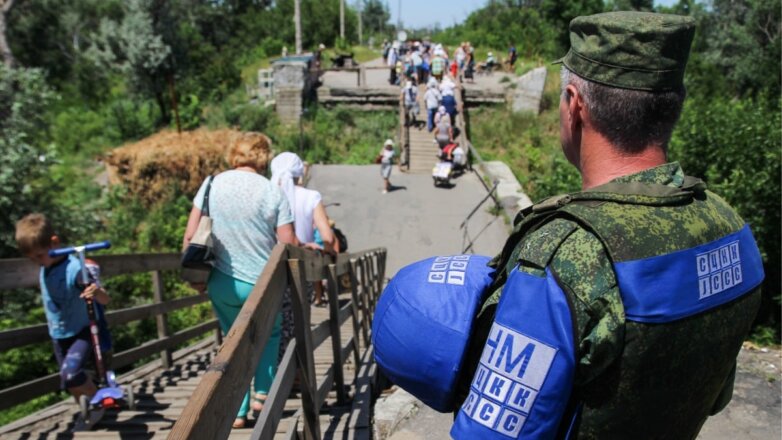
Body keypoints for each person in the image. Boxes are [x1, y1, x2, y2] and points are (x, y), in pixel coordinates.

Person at [452, 12, 764, 439]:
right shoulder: (730, 228)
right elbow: (715, 397)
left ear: (574, 105)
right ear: (674, 103)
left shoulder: (560, 257)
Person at [183, 132, 297, 429]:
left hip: (221, 281)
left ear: (235, 153)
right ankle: (263, 395)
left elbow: (190, 235)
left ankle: (238, 410)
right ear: (263, 156)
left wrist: (194, 276)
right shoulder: (272, 191)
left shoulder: (211, 184)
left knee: (232, 340)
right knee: (268, 336)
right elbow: (287, 244)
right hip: (262, 284)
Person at [15, 214, 113, 415]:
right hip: (58, 334)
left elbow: (105, 300)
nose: (37, 262)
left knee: (71, 373)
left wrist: (96, 292)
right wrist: (42, 260)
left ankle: (98, 400)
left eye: (39, 256)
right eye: (32, 258)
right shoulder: (47, 267)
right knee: (70, 382)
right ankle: (89, 412)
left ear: (55, 242)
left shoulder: (75, 268)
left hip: (80, 331)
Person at [270, 152, 335, 310]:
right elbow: (328, 237)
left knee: (274, 323)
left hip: (271, 269)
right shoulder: (311, 196)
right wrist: (328, 254)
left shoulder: (268, 193)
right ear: (299, 173)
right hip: (302, 267)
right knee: (300, 321)